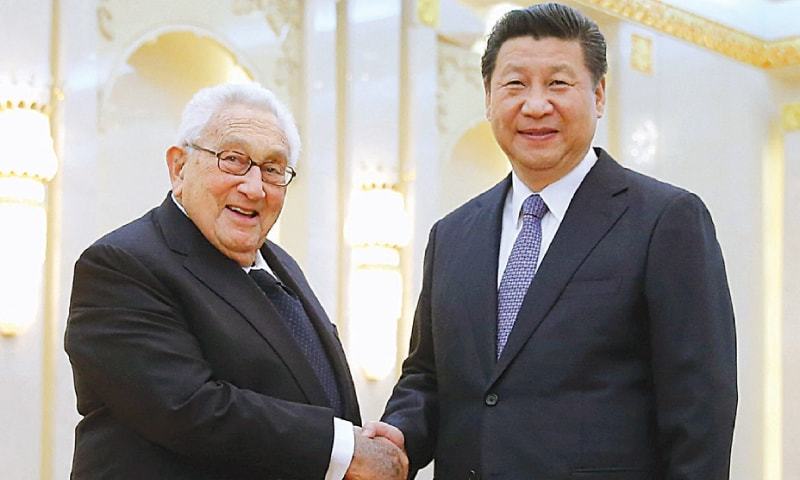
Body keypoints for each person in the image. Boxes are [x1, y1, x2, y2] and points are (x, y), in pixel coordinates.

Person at [378, 3, 737, 479]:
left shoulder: (665, 220)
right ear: (488, 97)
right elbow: (428, 376)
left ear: (599, 94)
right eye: (515, 84)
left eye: (558, 83)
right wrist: (397, 436)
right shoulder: (452, 234)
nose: (535, 105)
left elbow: (700, 411)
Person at [65, 83, 407, 479]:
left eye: (273, 169)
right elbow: (189, 408)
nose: (254, 187)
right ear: (179, 167)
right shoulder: (121, 265)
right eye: (233, 160)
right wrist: (345, 448)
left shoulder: (282, 267)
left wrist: (363, 441)